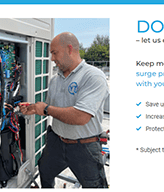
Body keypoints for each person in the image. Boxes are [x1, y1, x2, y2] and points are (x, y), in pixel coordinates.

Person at [20, 32, 109, 188]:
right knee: (45, 170)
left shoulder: (92, 76)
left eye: (55, 53)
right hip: (57, 142)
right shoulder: (55, 80)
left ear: (69, 49)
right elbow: (51, 108)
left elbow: (81, 117)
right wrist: (33, 108)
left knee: (94, 186)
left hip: (84, 146)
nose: (52, 58)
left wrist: (45, 109)